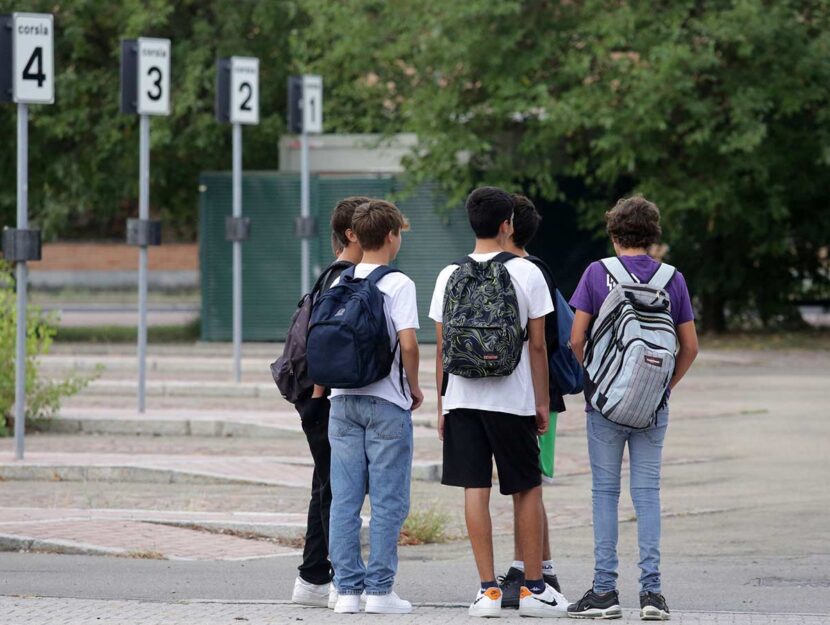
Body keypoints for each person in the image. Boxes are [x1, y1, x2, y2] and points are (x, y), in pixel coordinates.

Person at [430, 186, 569, 618]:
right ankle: (532, 588)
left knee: (476, 487)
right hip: (513, 398)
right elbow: (540, 348)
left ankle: (487, 592)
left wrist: (441, 405)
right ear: (507, 225)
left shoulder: (448, 273)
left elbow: (441, 348)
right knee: (525, 487)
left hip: (462, 398)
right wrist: (542, 403)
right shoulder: (527, 273)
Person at [567, 196, 698, 621]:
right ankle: (652, 594)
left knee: (605, 494)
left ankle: (604, 591)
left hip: (604, 406)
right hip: (653, 407)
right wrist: (663, 386)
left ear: (613, 232)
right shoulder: (672, 278)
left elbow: (575, 337)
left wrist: (600, 381)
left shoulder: (596, 273)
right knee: (648, 495)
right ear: (653, 234)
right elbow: (690, 346)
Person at [327, 199, 423, 615]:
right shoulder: (399, 284)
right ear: (390, 236)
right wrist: (414, 387)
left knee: (344, 500)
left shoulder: (338, 282)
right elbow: (408, 342)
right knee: (388, 501)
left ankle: (346, 591)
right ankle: (380, 591)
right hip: (386, 401)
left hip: (342, 400)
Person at [291, 197, 368, 608]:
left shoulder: (331, 276)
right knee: (338, 488)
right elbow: (325, 344)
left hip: (315, 396)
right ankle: (341, 580)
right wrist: (321, 399)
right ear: (352, 234)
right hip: (321, 396)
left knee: (326, 485)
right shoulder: (345, 279)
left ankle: (312, 577)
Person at [497, 194, 566, 608]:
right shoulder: (525, 269)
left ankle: (532, 569)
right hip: (529, 392)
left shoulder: (532, 271)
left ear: (507, 227)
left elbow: (547, 341)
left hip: (537, 393)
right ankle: (540, 565)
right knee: (529, 485)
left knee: (530, 485)